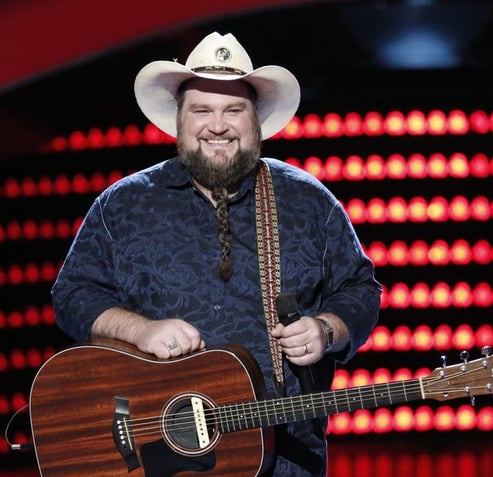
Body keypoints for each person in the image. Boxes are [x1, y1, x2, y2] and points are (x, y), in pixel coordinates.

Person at [50, 31, 381, 476]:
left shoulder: (307, 201)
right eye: (202, 110)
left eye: (233, 110)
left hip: (283, 456)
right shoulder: (122, 204)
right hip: (155, 454)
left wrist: (327, 328)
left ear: (256, 122)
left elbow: (360, 290)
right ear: (180, 121)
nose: (218, 125)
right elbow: (72, 294)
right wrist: (140, 331)